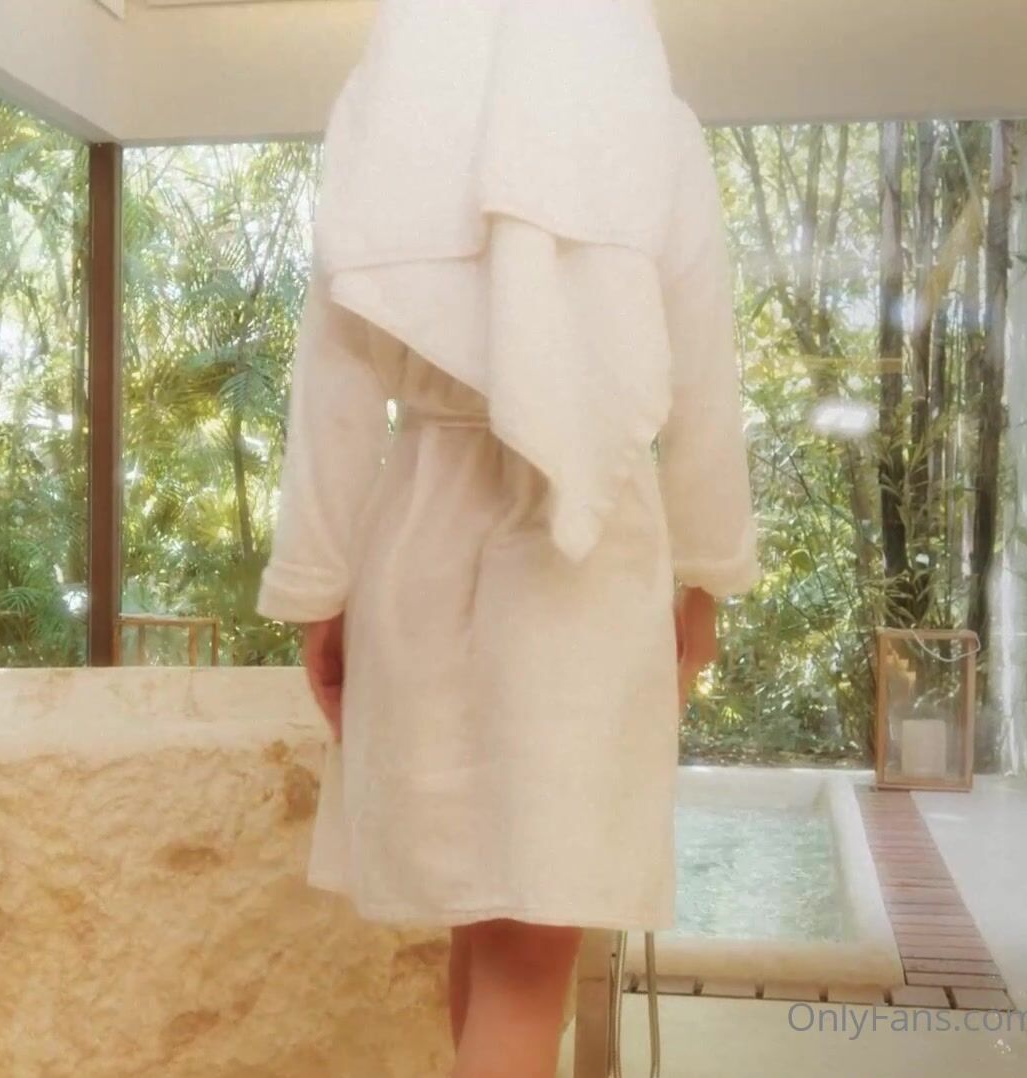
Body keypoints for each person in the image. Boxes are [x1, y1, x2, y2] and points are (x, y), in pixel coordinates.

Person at [255, 1, 759, 1075]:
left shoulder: (384, 110)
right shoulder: (650, 120)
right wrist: (705, 580)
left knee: (485, 928)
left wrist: (320, 585)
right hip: (586, 554)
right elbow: (704, 373)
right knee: (530, 961)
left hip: (417, 534)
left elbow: (334, 380)